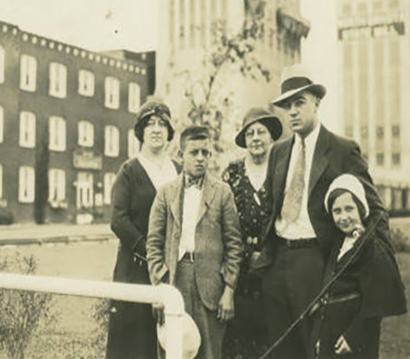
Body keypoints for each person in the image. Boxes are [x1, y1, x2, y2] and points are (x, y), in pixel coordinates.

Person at [259, 64, 391, 359]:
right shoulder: (279, 152)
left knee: (318, 351)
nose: (292, 112)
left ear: (316, 102)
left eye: (299, 103)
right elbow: (271, 209)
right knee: (283, 353)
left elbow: (377, 213)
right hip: (278, 264)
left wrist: (378, 269)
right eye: (286, 106)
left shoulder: (342, 150)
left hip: (317, 263)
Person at [147, 125, 243, 359]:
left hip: (210, 286)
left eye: (205, 152)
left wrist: (228, 290)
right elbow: (153, 244)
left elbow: (234, 246)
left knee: (209, 352)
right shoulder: (165, 193)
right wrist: (160, 288)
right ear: (180, 155)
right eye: (194, 152)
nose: (200, 158)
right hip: (175, 280)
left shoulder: (222, 193)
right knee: (173, 350)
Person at [106, 99, 181, 359]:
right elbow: (118, 219)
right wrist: (147, 251)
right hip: (136, 268)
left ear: (170, 132)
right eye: (150, 124)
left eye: (162, 124)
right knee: (134, 342)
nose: (157, 129)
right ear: (141, 132)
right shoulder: (129, 171)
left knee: (170, 338)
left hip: (173, 268)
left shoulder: (179, 171)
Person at [312, 174, 407, 358]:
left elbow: (375, 303)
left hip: (355, 335)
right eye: (337, 211)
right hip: (331, 331)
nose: (343, 217)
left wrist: (353, 337)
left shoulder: (370, 247)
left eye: (349, 209)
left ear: (361, 209)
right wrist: (321, 336)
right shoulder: (339, 243)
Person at [221, 107, 283, 359]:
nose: (256, 138)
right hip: (239, 267)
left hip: (275, 264)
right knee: (239, 337)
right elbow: (220, 218)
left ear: (271, 137)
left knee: (274, 336)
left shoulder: (282, 169)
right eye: (250, 133)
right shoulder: (233, 172)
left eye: (261, 132)